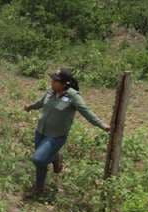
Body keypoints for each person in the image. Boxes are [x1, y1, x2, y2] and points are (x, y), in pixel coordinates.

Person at [24, 68, 110, 198]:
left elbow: (86, 111)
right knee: (40, 163)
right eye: (52, 80)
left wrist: (102, 125)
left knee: (38, 158)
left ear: (65, 84)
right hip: (40, 131)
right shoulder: (50, 92)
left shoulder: (73, 96)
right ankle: (39, 188)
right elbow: (41, 103)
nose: (52, 82)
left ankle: (54, 157)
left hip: (56, 136)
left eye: (55, 81)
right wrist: (30, 107)